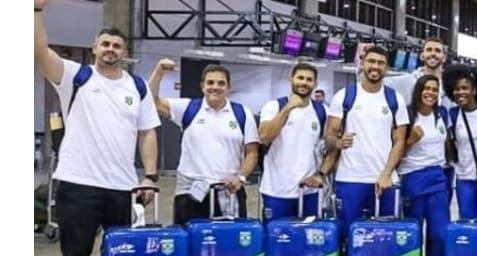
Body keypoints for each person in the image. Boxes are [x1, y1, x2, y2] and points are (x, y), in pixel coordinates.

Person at [34, 0, 162, 256]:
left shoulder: (136, 87)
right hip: (78, 184)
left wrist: (150, 177)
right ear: (94, 48)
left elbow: (148, 133)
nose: (110, 49)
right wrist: (35, 9)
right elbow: (39, 52)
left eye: (116, 45)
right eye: (105, 43)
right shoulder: (77, 77)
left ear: (124, 52)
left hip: (121, 188)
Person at [145, 61, 258, 224]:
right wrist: (158, 72)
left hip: (229, 191)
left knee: (229, 246)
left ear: (228, 87)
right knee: (189, 244)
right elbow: (152, 101)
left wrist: (240, 178)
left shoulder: (242, 113)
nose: (215, 87)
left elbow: (252, 153)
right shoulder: (188, 108)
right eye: (210, 82)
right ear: (202, 86)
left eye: (221, 83)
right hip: (190, 193)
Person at [324, 46, 408, 231]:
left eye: (381, 63)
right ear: (362, 63)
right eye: (371, 61)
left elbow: (400, 141)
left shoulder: (395, 99)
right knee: (349, 235)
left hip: (384, 181)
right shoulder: (344, 96)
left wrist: (386, 173)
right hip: (350, 179)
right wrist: (337, 142)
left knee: (385, 236)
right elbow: (329, 135)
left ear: (386, 68)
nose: (375, 67)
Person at [256, 63, 337, 221]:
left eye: (309, 79)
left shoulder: (322, 111)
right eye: (300, 78)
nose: (304, 82)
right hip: (277, 190)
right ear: (291, 79)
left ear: (315, 84)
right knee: (277, 240)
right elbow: (264, 137)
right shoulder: (274, 106)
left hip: (310, 191)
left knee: (310, 240)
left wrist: (320, 175)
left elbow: (332, 148)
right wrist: (288, 108)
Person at [398, 74, 451, 256]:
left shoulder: (442, 115)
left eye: (434, 89)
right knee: (414, 237)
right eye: (426, 88)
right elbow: (396, 149)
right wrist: (410, 140)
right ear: (419, 90)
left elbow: (450, 146)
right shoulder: (407, 115)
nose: (430, 92)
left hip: (438, 177)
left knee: (439, 235)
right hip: (413, 178)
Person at [444, 63, 477, 220]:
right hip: (465, 178)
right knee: (467, 222)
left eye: (465, 88)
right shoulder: (453, 115)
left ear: (475, 90)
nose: (460, 92)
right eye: (456, 89)